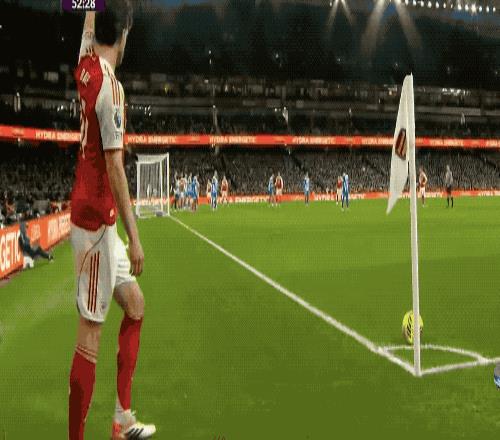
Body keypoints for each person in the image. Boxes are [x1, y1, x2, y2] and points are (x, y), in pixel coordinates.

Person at [69, 6, 156, 439]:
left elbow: (88, 21)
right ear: (122, 35)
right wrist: (134, 237)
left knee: (135, 306)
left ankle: (122, 418)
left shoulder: (84, 64)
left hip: (98, 222)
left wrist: (92, 7)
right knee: (90, 334)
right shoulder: (111, 88)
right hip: (95, 226)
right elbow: (116, 167)